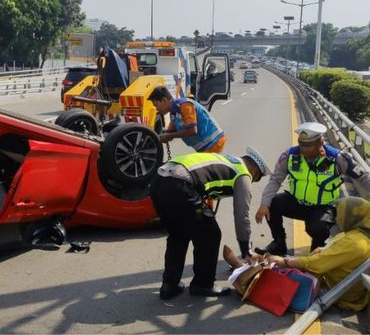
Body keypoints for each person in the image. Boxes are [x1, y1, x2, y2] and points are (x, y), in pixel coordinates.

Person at [150, 147, 271, 299]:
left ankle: (169, 285)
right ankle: (203, 284)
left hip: (159, 181)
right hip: (180, 185)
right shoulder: (243, 174)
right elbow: (242, 217)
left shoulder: (227, 161)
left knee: (178, 235)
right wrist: (245, 250)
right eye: (256, 178)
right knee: (211, 235)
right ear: (254, 171)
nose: (252, 181)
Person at [224, 197, 370, 312]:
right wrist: (321, 251)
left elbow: (317, 264)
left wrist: (285, 262)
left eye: (341, 214)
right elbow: (333, 254)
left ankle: (243, 271)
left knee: (280, 276)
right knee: (284, 262)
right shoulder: (360, 234)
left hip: (337, 292)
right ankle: (248, 266)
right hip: (334, 281)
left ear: (352, 216)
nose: (337, 218)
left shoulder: (355, 242)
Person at [254, 122, 370, 256]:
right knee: (273, 203)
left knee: (317, 229)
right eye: (301, 144)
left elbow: (362, 177)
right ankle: (278, 244)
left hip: (323, 207)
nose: (303, 149)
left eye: (308, 146)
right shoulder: (290, 155)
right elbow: (275, 180)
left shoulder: (337, 158)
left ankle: (317, 250)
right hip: (297, 202)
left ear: (320, 143)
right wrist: (264, 204)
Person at [148, 85, 227, 153]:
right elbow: (170, 133)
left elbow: (192, 130)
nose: (157, 109)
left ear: (164, 100)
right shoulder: (173, 113)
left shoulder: (185, 105)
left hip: (214, 143)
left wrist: (169, 135)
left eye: (156, 105)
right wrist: (159, 135)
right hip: (205, 147)